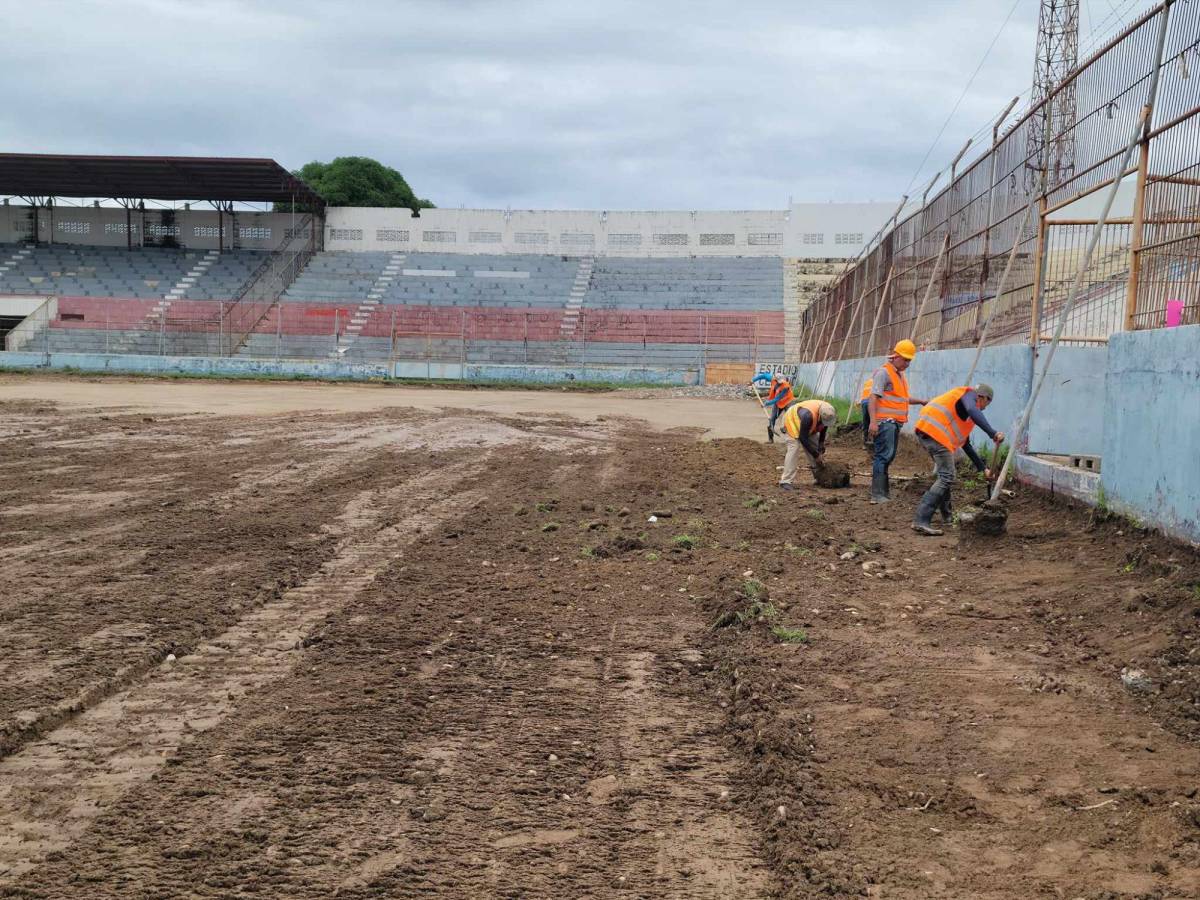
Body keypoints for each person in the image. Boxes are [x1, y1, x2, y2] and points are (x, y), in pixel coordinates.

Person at [911, 383, 1005, 536]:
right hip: (935, 433)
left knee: (944, 475)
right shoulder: (969, 395)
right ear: (982, 397)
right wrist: (992, 433)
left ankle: (947, 516)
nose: (985, 408)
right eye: (987, 403)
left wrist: (983, 469)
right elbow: (972, 409)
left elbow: (966, 445)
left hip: (928, 431)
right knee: (948, 475)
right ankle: (921, 519)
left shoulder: (967, 415)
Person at [867, 340, 928, 503]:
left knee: (888, 456)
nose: (908, 364)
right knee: (883, 456)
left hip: (893, 423)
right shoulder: (884, 373)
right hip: (885, 422)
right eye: (905, 360)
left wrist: (920, 401)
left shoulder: (899, 375)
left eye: (910, 361)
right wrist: (873, 422)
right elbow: (873, 397)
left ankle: (883, 493)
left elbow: (902, 399)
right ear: (896, 356)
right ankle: (877, 494)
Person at [775, 398, 836, 491]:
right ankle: (786, 481)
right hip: (791, 422)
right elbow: (803, 438)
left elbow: (824, 427)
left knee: (815, 448)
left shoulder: (828, 411)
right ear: (819, 415)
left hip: (806, 425)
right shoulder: (808, 416)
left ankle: (819, 476)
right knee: (794, 448)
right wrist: (816, 455)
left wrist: (820, 444)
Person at [751, 370, 795, 443]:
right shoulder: (772, 379)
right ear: (776, 379)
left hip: (788, 402)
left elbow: (777, 398)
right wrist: (753, 380)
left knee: (790, 417)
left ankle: (791, 433)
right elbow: (763, 375)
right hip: (778, 403)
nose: (781, 382)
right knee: (772, 419)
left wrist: (766, 403)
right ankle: (771, 439)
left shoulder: (785, 387)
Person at [858, 376, 873, 449]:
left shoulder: (867, 382)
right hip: (871, 402)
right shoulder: (878, 382)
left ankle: (865, 443)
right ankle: (872, 442)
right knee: (873, 422)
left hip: (864, 403)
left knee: (866, 422)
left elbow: (862, 394)